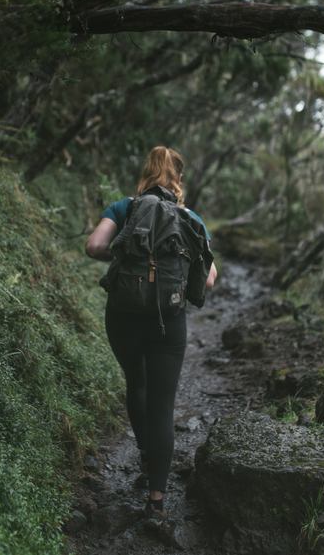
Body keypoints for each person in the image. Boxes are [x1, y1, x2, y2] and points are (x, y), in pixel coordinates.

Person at [85, 146, 218, 520]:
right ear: (178, 178)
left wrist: (126, 257)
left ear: (145, 173)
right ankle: (156, 499)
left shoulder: (124, 208)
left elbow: (94, 246)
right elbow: (210, 278)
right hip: (168, 319)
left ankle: (145, 453)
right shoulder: (190, 218)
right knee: (163, 404)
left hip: (123, 313)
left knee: (136, 382)